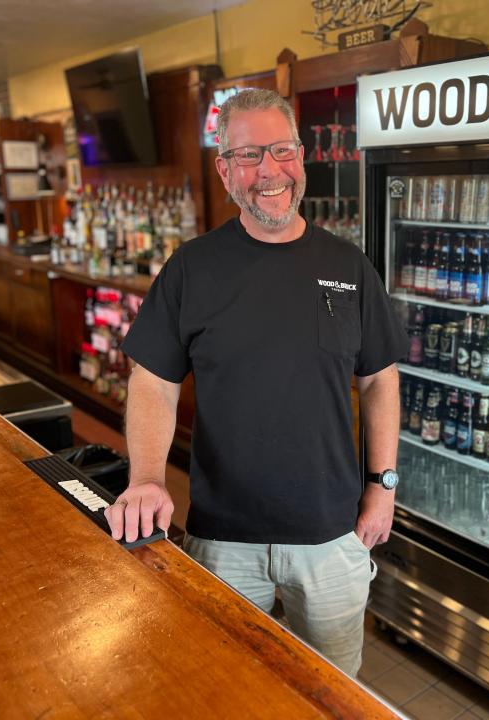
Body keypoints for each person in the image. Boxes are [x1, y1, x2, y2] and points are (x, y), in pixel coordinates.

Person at [105, 88, 408, 677]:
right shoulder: (191, 268)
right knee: (227, 688)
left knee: (331, 695)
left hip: (331, 535)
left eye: (280, 151)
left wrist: (384, 485)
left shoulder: (349, 267)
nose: (268, 170)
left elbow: (379, 381)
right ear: (225, 170)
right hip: (223, 539)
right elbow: (152, 382)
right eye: (247, 156)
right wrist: (145, 479)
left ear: (301, 156)